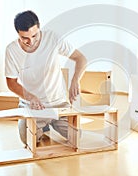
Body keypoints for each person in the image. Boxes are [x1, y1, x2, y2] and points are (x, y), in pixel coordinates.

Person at [5, 10, 86, 145]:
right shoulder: (11, 50)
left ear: (39, 28)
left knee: (77, 137)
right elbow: (11, 83)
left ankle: (50, 124)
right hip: (32, 107)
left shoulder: (52, 38)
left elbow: (81, 58)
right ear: (18, 33)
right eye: (25, 38)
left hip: (58, 104)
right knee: (28, 140)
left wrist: (75, 81)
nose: (30, 42)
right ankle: (43, 126)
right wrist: (30, 97)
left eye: (34, 36)